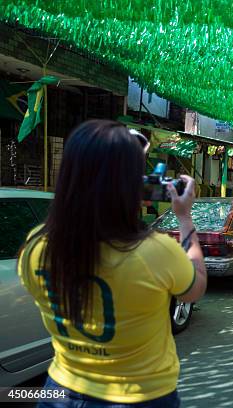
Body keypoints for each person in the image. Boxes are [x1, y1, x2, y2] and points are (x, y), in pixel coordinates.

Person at [18, 120, 207, 407]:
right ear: (130, 186)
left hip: (57, 392)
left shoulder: (35, 246)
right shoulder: (156, 252)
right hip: (139, 396)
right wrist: (184, 217)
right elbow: (194, 289)